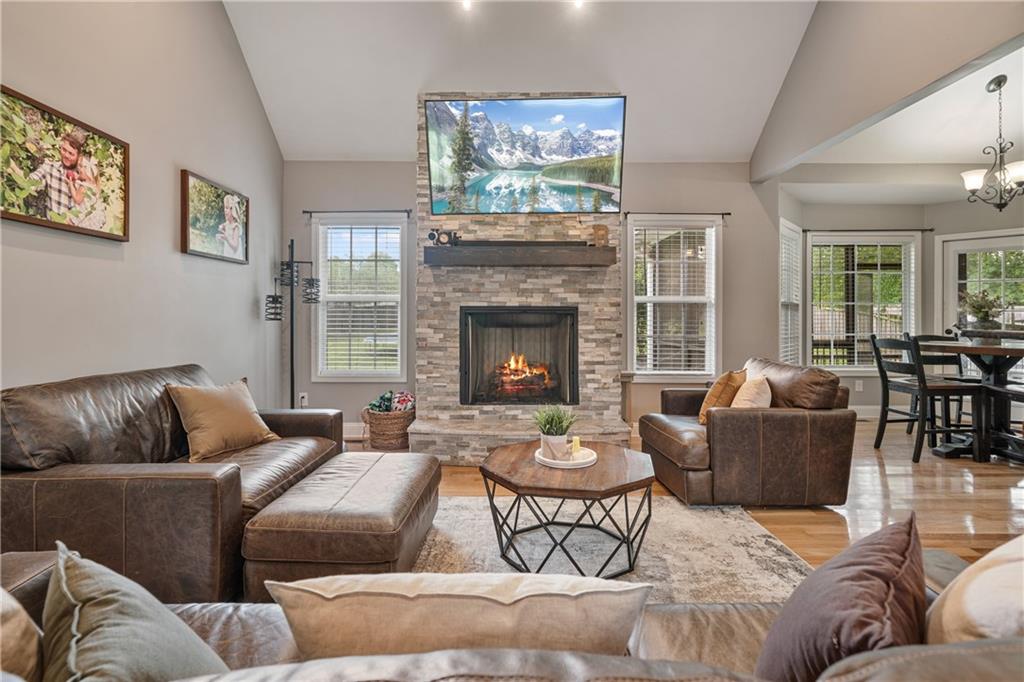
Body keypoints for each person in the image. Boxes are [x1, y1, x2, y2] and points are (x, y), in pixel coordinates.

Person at [28, 128, 91, 222]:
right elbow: (29, 182)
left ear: (78, 156)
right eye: (64, 150)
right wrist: (12, 167)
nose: (66, 155)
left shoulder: (84, 176)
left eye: (71, 153)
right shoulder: (50, 167)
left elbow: (87, 208)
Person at [216, 194, 245, 260]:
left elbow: (235, 246)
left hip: (235, 257)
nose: (225, 210)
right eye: (224, 208)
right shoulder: (227, 225)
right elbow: (222, 228)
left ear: (232, 210)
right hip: (228, 255)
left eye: (227, 208)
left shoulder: (235, 227)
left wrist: (226, 238)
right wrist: (222, 237)